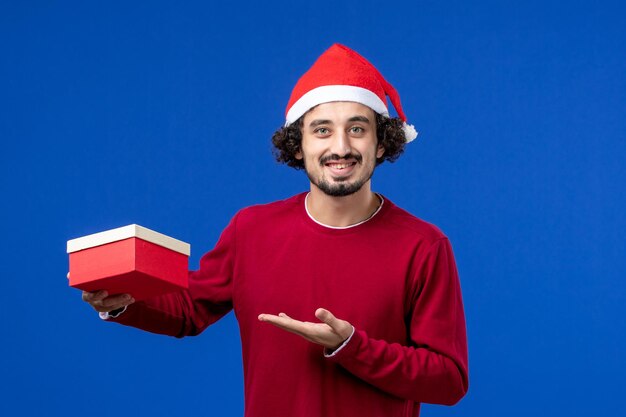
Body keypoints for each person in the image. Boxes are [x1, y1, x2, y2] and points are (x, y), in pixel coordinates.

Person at [81, 43, 469, 417]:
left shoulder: (424, 246)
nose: (340, 146)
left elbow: (448, 381)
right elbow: (188, 310)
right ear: (297, 145)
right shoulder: (251, 230)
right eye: (321, 130)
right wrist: (123, 299)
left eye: (357, 128)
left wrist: (352, 346)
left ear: (381, 143)